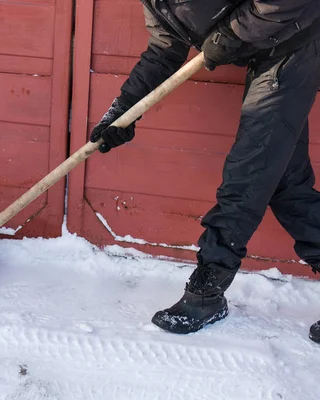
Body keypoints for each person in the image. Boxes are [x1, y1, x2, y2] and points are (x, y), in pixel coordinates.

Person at [89, 0, 320, 342]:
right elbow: (164, 49)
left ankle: (205, 295)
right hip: (265, 51)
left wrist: (231, 33)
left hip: (294, 44)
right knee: (285, 183)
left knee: (249, 174)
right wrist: (125, 109)